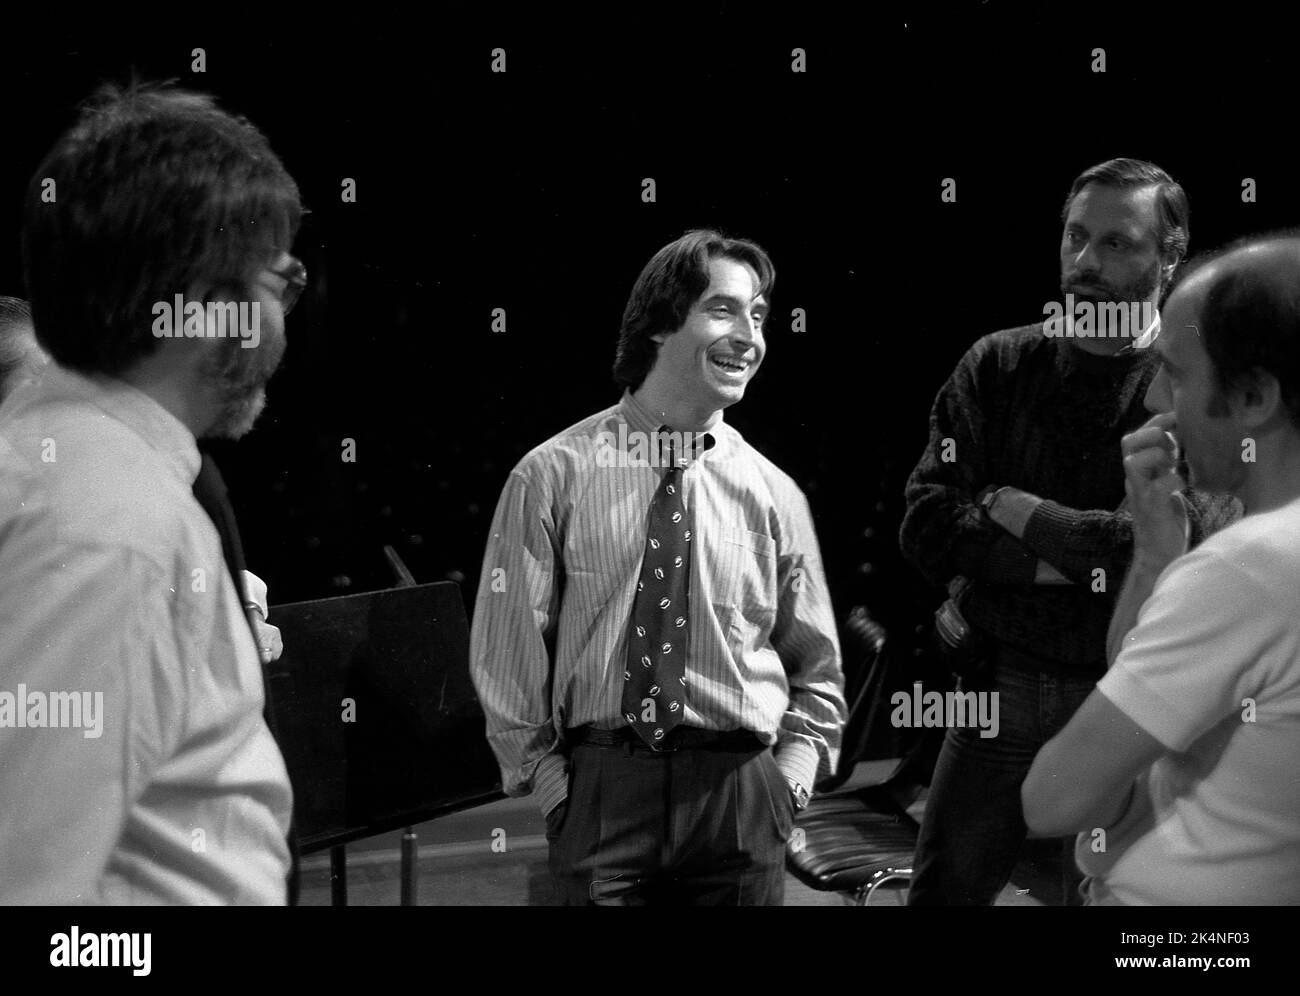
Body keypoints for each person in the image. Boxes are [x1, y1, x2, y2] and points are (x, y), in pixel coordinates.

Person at [898, 158, 1241, 905]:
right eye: (1076, 238)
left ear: (1170, 254)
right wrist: (1098, 555)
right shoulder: (997, 364)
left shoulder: (1191, 383)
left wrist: (1008, 505)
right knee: (942, 899)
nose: (1085, 263)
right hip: (996, 692)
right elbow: (927, 528)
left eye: (1116, 244)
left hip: (1128, 703)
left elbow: (1171, 553)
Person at [470, 229, 846, 905]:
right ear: (658, 325)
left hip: (741, 800)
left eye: (759, 317)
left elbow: (818, 672)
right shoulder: (550, 476)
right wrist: (558, 794)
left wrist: (786, 783)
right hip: (603, 794)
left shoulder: (774, 494)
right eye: (725, 310)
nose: (749, 336)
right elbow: (507, 654)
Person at [0, 81, 305, 904]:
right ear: (204, 308)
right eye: (281, 282)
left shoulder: (70, 463)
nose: (285, 317)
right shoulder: (107, 522)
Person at [1023, 235, 1300, 905]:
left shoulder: (1251, 564)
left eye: (1176, 374)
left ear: (1254, 397)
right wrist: (1155, 558)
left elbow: (1052, 800)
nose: (1153, 402)